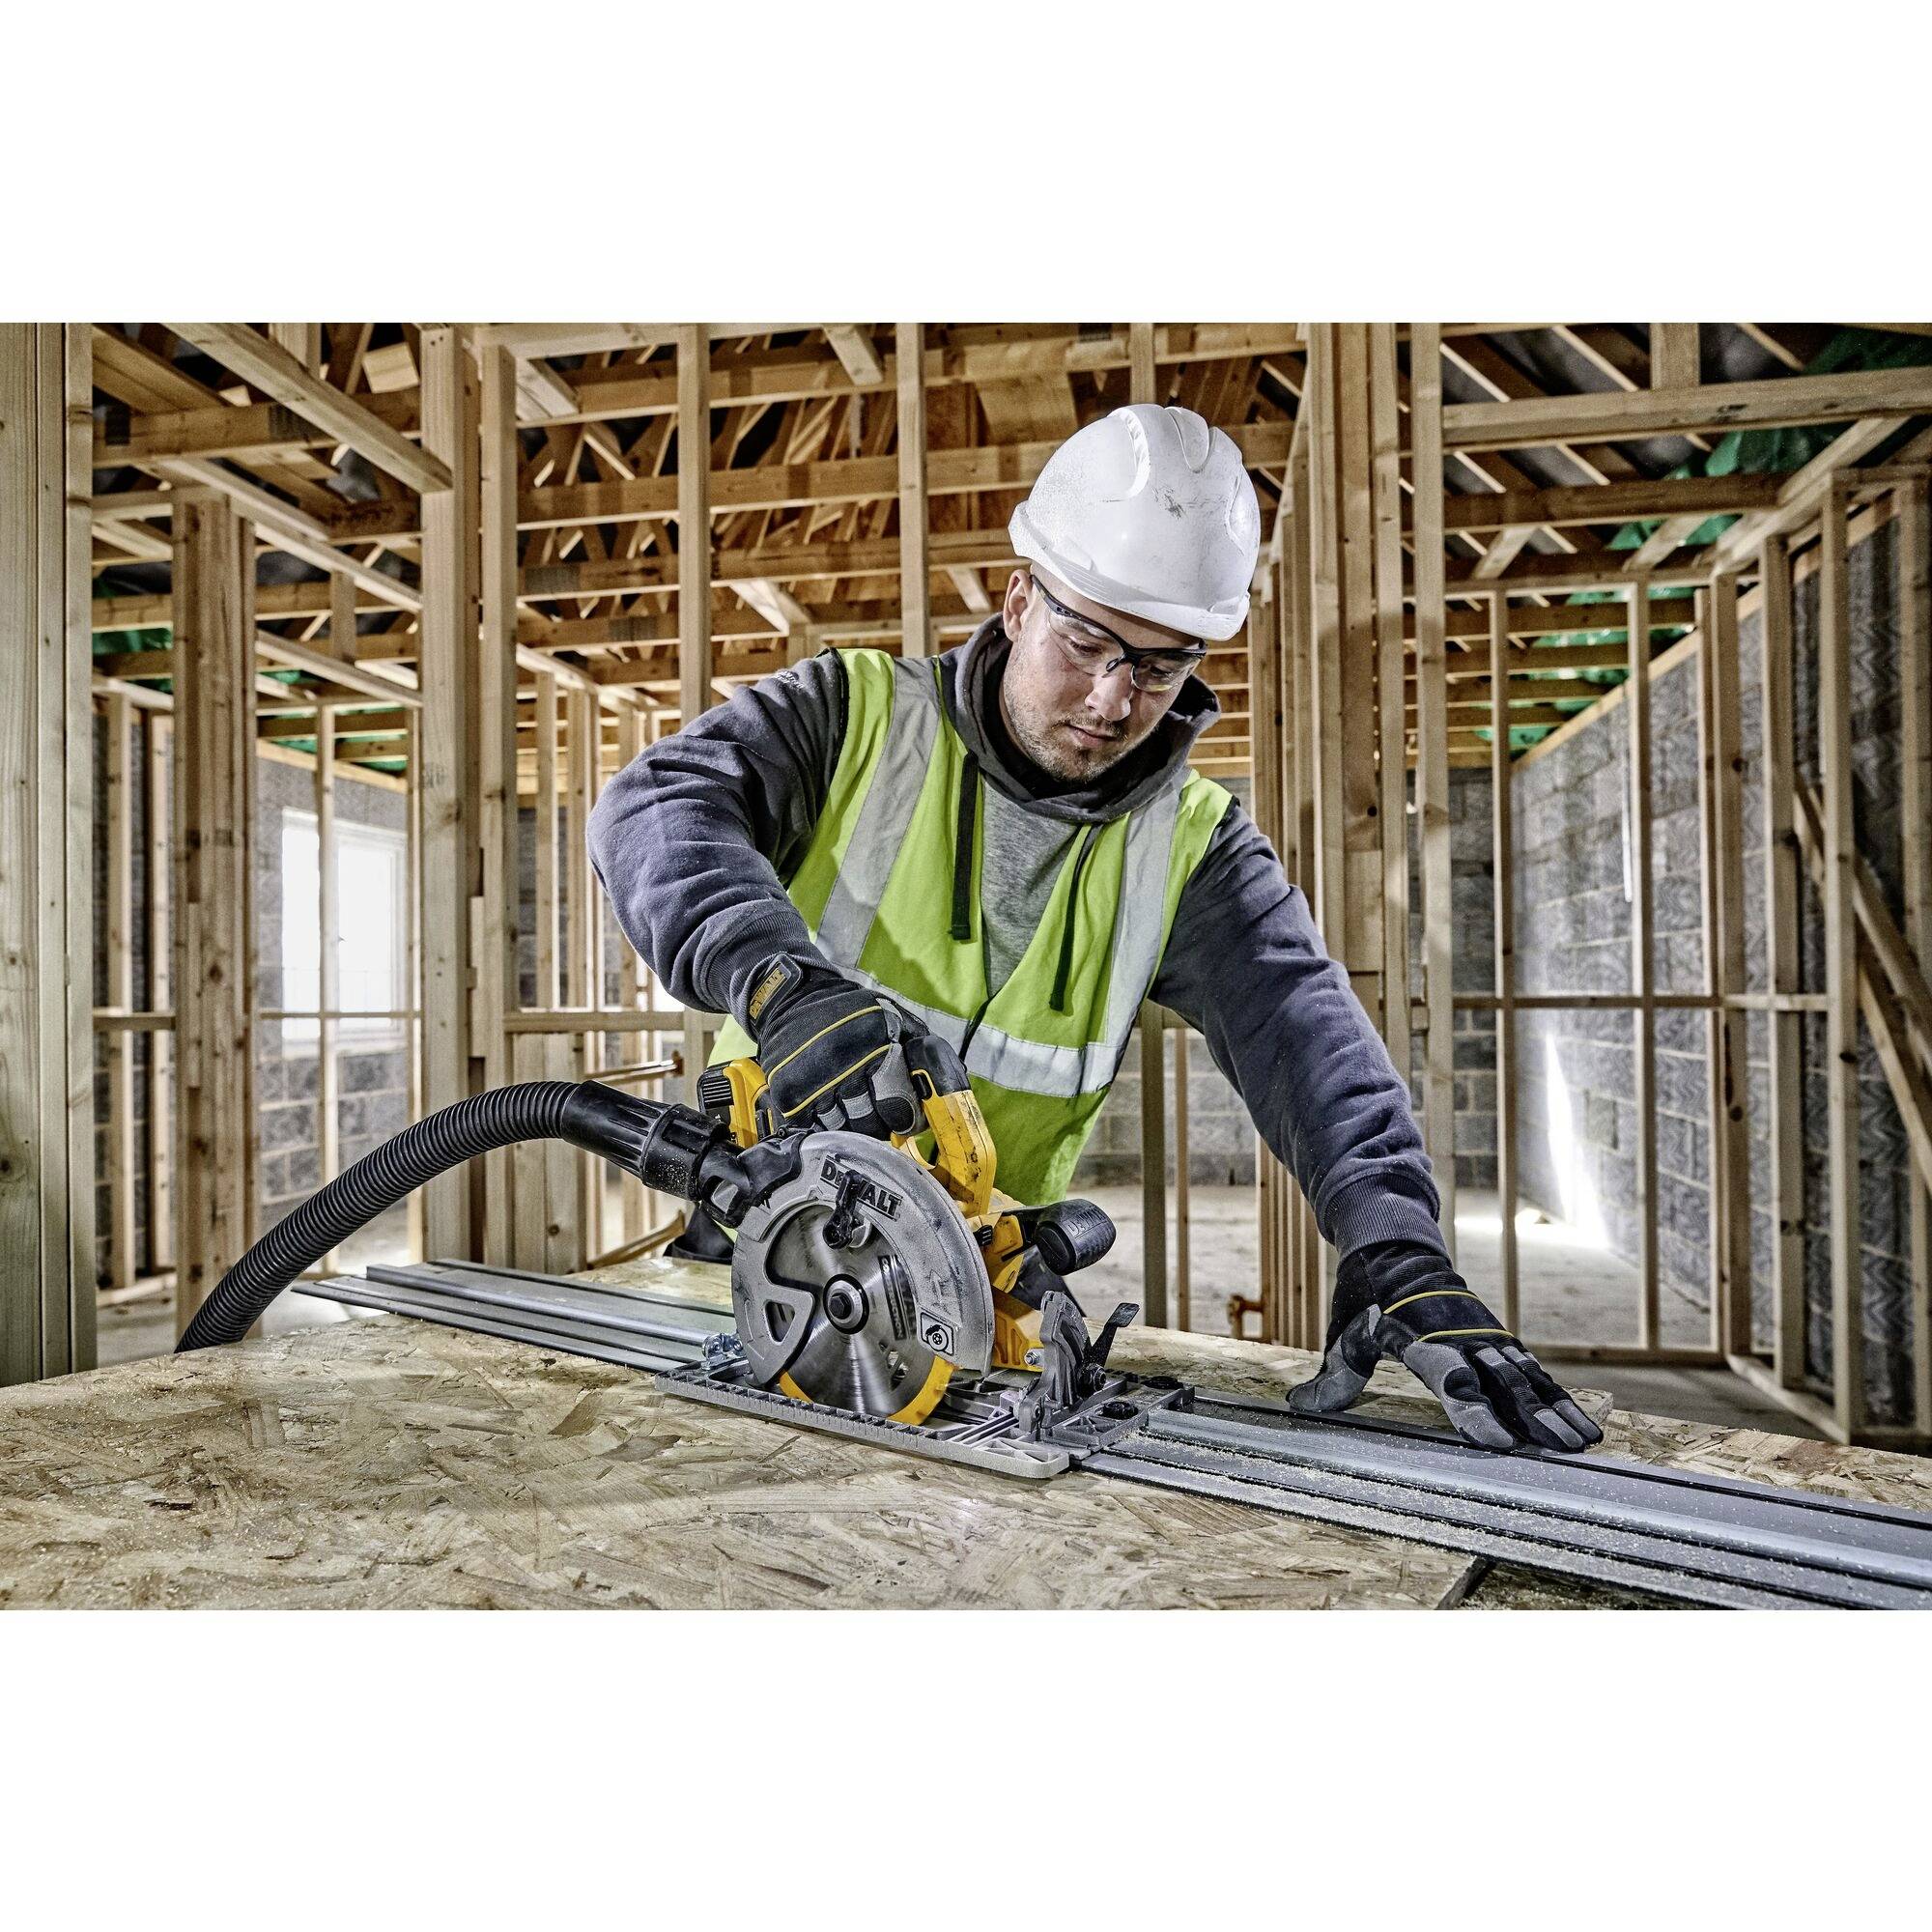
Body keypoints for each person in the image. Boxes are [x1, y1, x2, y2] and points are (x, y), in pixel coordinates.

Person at [588, 402, 1601, 1454]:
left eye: (1161, 666)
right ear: (1020, 597)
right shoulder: (854, 717)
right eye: (1085, 641)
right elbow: (656, 805)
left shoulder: (1193, 845)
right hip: (760, 1255)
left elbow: (1312, 1043)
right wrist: (776, 983)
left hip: (975, 1304)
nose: (1114, 698)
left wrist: (1398, 1249)